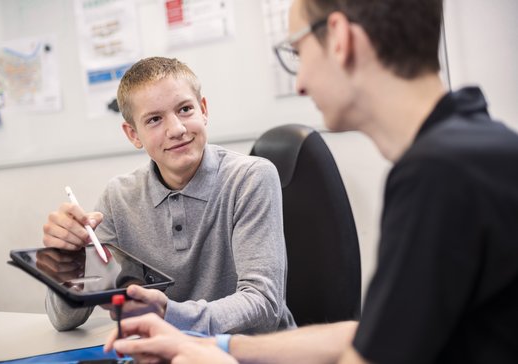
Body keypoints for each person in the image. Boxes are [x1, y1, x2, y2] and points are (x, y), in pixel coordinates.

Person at [103, 0, 518, 363]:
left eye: (296, 52)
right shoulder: (474, 151)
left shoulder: (439, 176)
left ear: (338, 38)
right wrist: (225, 349)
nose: (299, 82)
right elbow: (376, 335)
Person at [42, 57, 295, 335]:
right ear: (132, 134)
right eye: (154, 119)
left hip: (251, 353)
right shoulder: (118, 197)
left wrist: (166, 314)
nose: (176, 129)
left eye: (185, 109)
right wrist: (69, 262)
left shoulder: (250, 178)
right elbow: (64, 319)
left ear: (204, 110)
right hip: (168, 352)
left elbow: (264, 304)